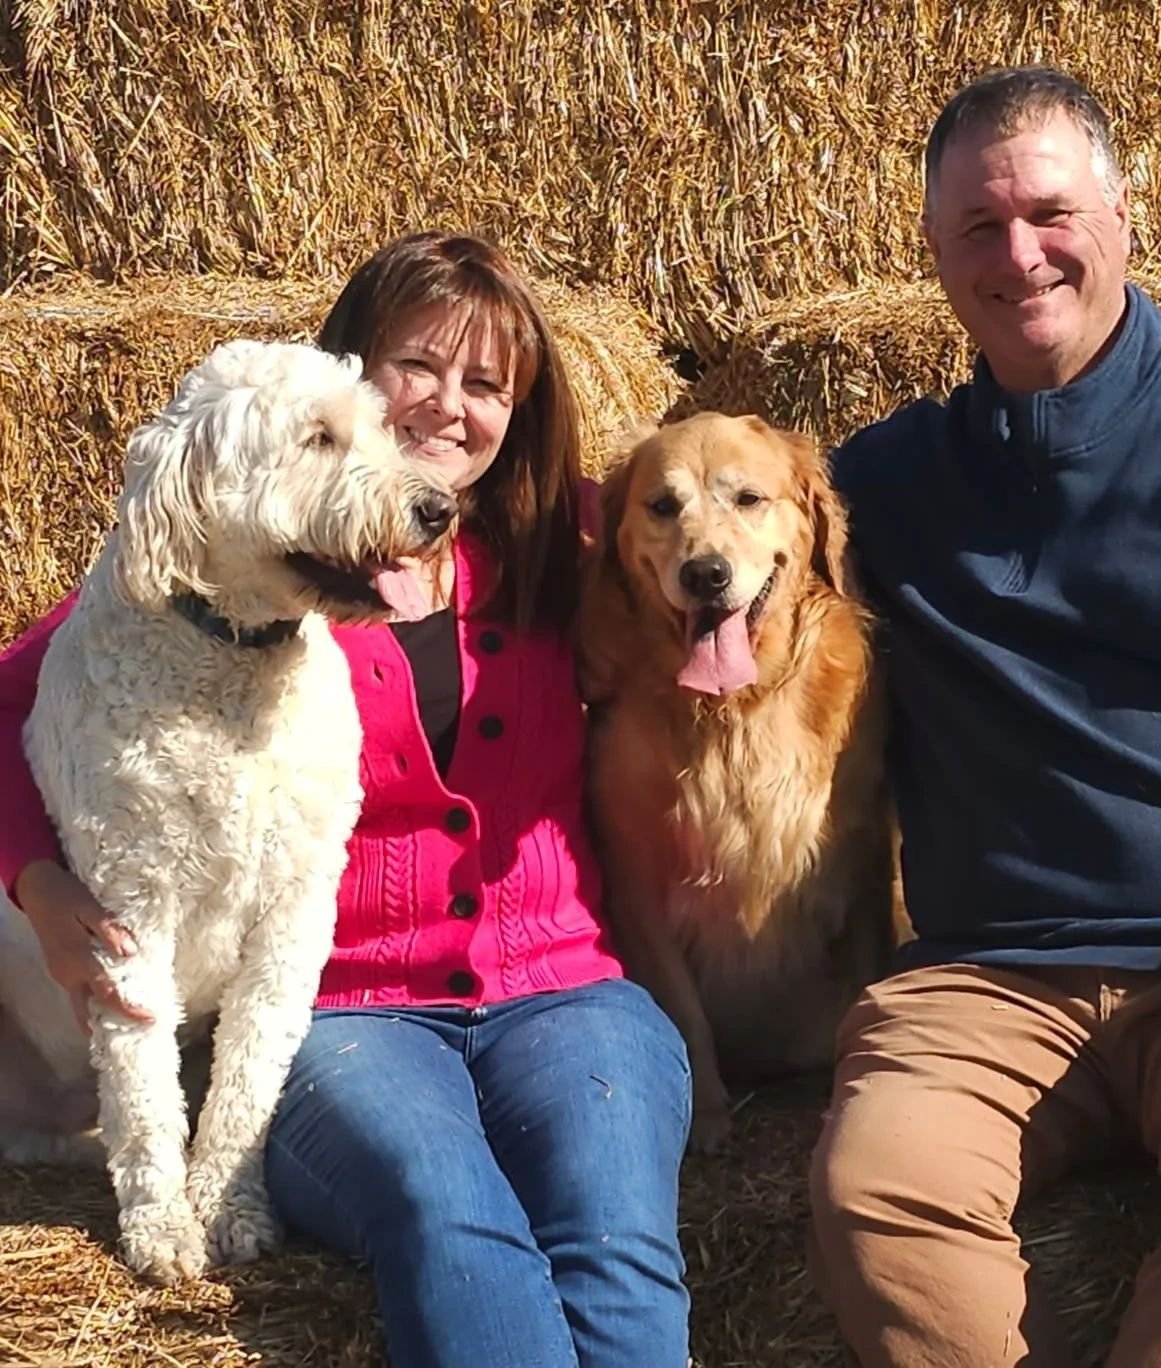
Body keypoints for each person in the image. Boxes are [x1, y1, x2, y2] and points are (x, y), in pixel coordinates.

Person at [0, 231, 692, 1368]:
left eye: (486, 386)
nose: (447, 407)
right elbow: (7, 701)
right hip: (352, 1015)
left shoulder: (566, 543)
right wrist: (35, 879)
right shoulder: (225, 579)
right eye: (415, 366)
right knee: (449, 1219)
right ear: (348, 367)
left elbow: (736, 544)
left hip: (566, 992)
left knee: (613, 1236)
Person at [809, 66, 1161, 1367]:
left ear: (1120, 216)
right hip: (981, 982)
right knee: (871, 1196)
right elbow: (722, 593)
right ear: (933, 257)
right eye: (978, 229)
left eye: (1047, 212)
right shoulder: (881, 480)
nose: (1018, 254)